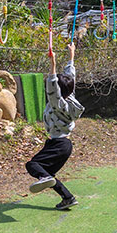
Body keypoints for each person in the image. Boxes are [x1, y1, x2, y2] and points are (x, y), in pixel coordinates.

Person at [26, 40, 83, 210]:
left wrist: (53, 63)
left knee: (32, 165)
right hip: (64, 145)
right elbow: (70, 77)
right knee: (48, 174)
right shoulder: (70, 98)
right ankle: (68, 198)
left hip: (58, 144)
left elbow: (52, 84)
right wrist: (71, 55)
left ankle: (45, 179)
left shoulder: (56, 103)